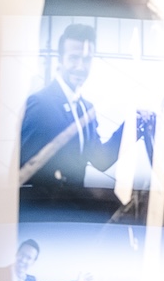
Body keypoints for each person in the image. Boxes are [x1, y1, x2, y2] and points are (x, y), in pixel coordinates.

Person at [20, 24, 135, 214]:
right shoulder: (40, 103)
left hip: (71, 210)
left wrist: (131, 124)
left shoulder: (86, 108)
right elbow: (23, 172)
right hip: (45, 214)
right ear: (61, 59)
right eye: (73, 58)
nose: (80, 67)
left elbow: (101, 160)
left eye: (87, 59)